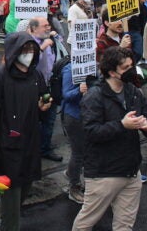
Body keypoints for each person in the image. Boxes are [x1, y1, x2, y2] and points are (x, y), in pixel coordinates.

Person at [72, 46, 147, 231]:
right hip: (103, 173)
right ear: (112, 72)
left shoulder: (134, 92)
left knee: (125, 224)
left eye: (131, 65)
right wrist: (122, 125)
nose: (131, 70)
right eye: (126, 68)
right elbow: (91, 132)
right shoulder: (94, 97)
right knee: (86, 223)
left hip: (131, 171)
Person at [0, 32, 52, 231]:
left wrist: (44, 107)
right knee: (10, 202)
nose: (29, 54)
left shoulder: (35, 75)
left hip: (29, 146)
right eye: (25, 50)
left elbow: (43, 102)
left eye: (32, 50)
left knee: (23, 191)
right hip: (7, 150)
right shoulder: (0, 76)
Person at [28, 16, 64, 162]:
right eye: (44, 26)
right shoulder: (29, 43)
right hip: (35, 89)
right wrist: (42, 47)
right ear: (34, 29)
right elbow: (28, 61)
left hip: (50, 86)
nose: (48, 28)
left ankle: (45, 148)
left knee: (50, 120)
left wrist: (55, 39)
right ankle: (32, 149)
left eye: (49, 25)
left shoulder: (49, 40)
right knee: (34, 120)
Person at [62, 46, 88, 205]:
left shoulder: (92, 67)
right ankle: (74, 187)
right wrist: (79, 90)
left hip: (88, 114)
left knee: (84, 152)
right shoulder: (69, 69)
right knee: (78, 153)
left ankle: (72, 173)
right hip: (74, 116)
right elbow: (66, 95)